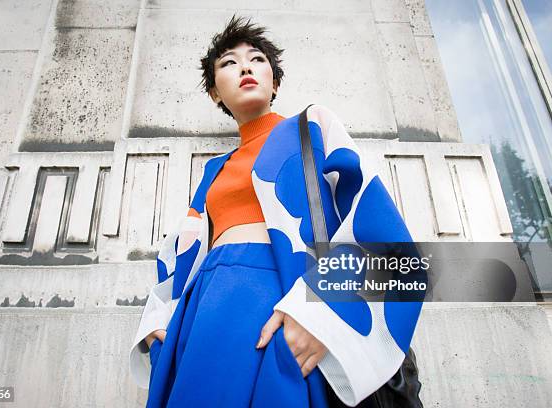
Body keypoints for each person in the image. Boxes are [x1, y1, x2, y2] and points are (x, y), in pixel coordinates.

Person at [129, 14, 424, 408]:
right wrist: (156, 323)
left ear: (275, 82)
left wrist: (323, 315)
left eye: (256, 59)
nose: (245, 67)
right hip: (206, 314)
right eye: (228, 63)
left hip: (285, 305)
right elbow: (177, 262)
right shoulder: (212, 171)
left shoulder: (311, 129)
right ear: (215, 93)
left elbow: (384, 236)